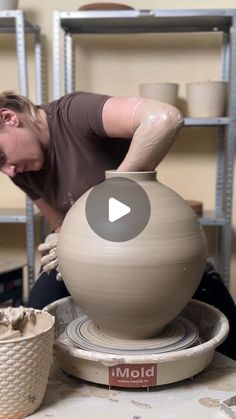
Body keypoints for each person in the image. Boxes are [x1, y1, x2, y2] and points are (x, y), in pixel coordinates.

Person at [0, 90, 183, 308]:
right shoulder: (20, 171)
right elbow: (59, 222)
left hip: (140, 240)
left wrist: (112, 192)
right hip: (85, 249)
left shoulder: (73, 113)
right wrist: (60, 237)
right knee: (39, 313)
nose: (8, 172)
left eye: (1, 157)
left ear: (9, 118)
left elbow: (165, 119)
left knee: (215, 310)